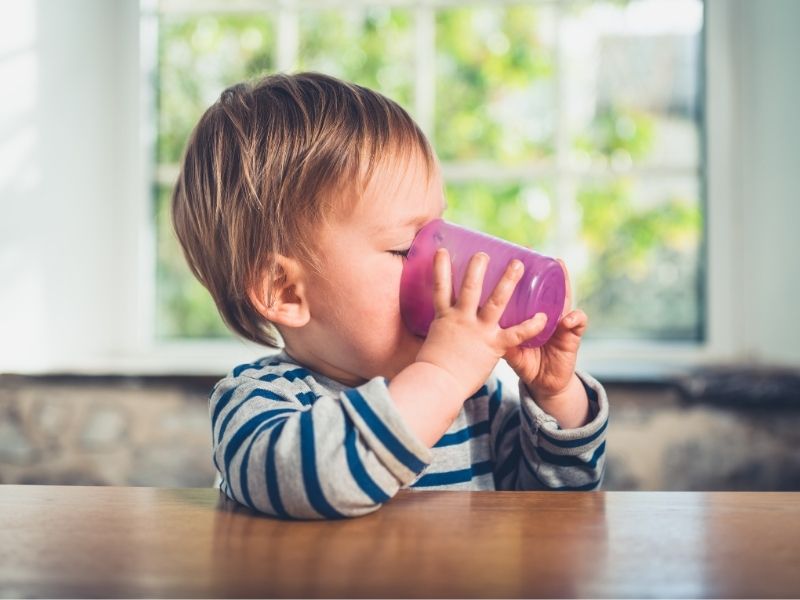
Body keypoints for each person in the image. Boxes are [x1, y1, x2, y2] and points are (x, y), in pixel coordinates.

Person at [172, 72, 609, 519]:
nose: (441, 267)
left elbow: (561, 503)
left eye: (440, 235)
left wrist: (557, 396)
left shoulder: (479, 402)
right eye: (407, 249)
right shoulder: (258, 404)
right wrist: (442, 375)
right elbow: (321, 482)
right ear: (285, 291)